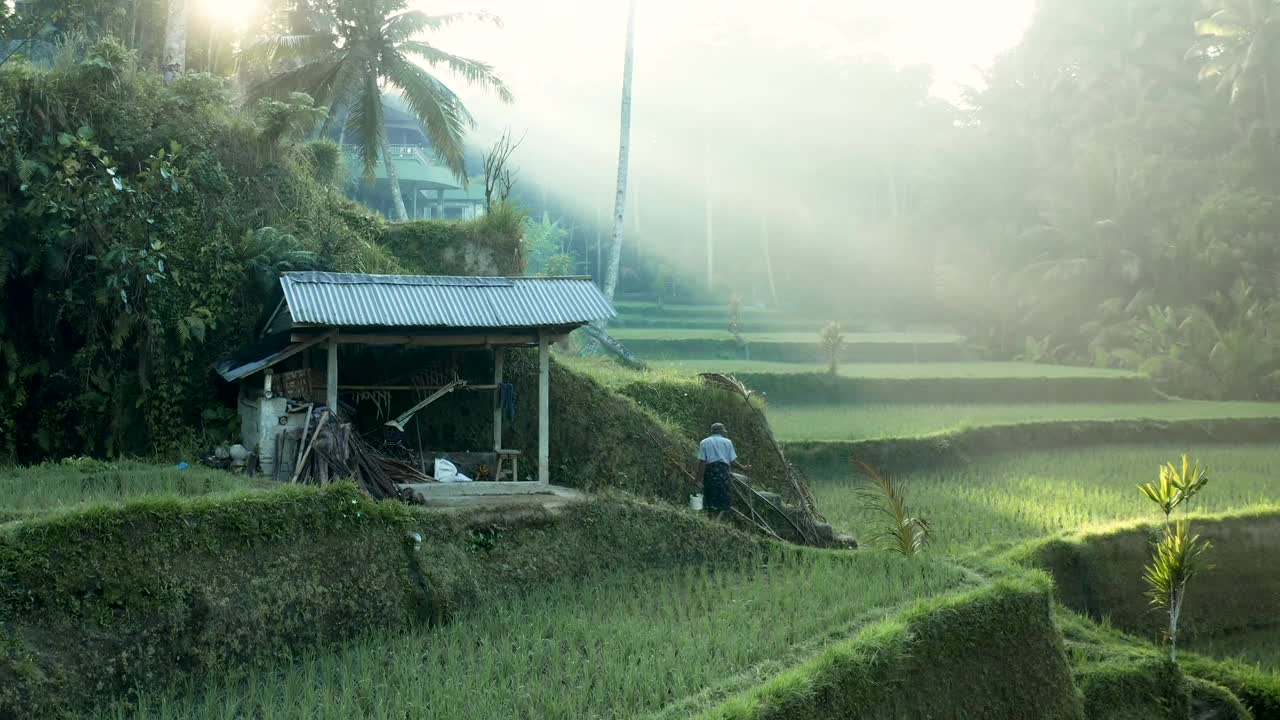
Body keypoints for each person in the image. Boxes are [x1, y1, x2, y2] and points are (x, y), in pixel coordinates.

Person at [697, 423, 750, 519]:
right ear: (721, 432)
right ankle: (716, 521)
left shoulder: (704, 442)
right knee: (723, 497)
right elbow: (732, 461)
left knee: (709, 494)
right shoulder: (728, 442)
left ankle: (711, 519)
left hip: (709, 472)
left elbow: (702, 462)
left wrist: (699, 479)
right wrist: (744, 468)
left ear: (712, 431)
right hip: (723, 472)